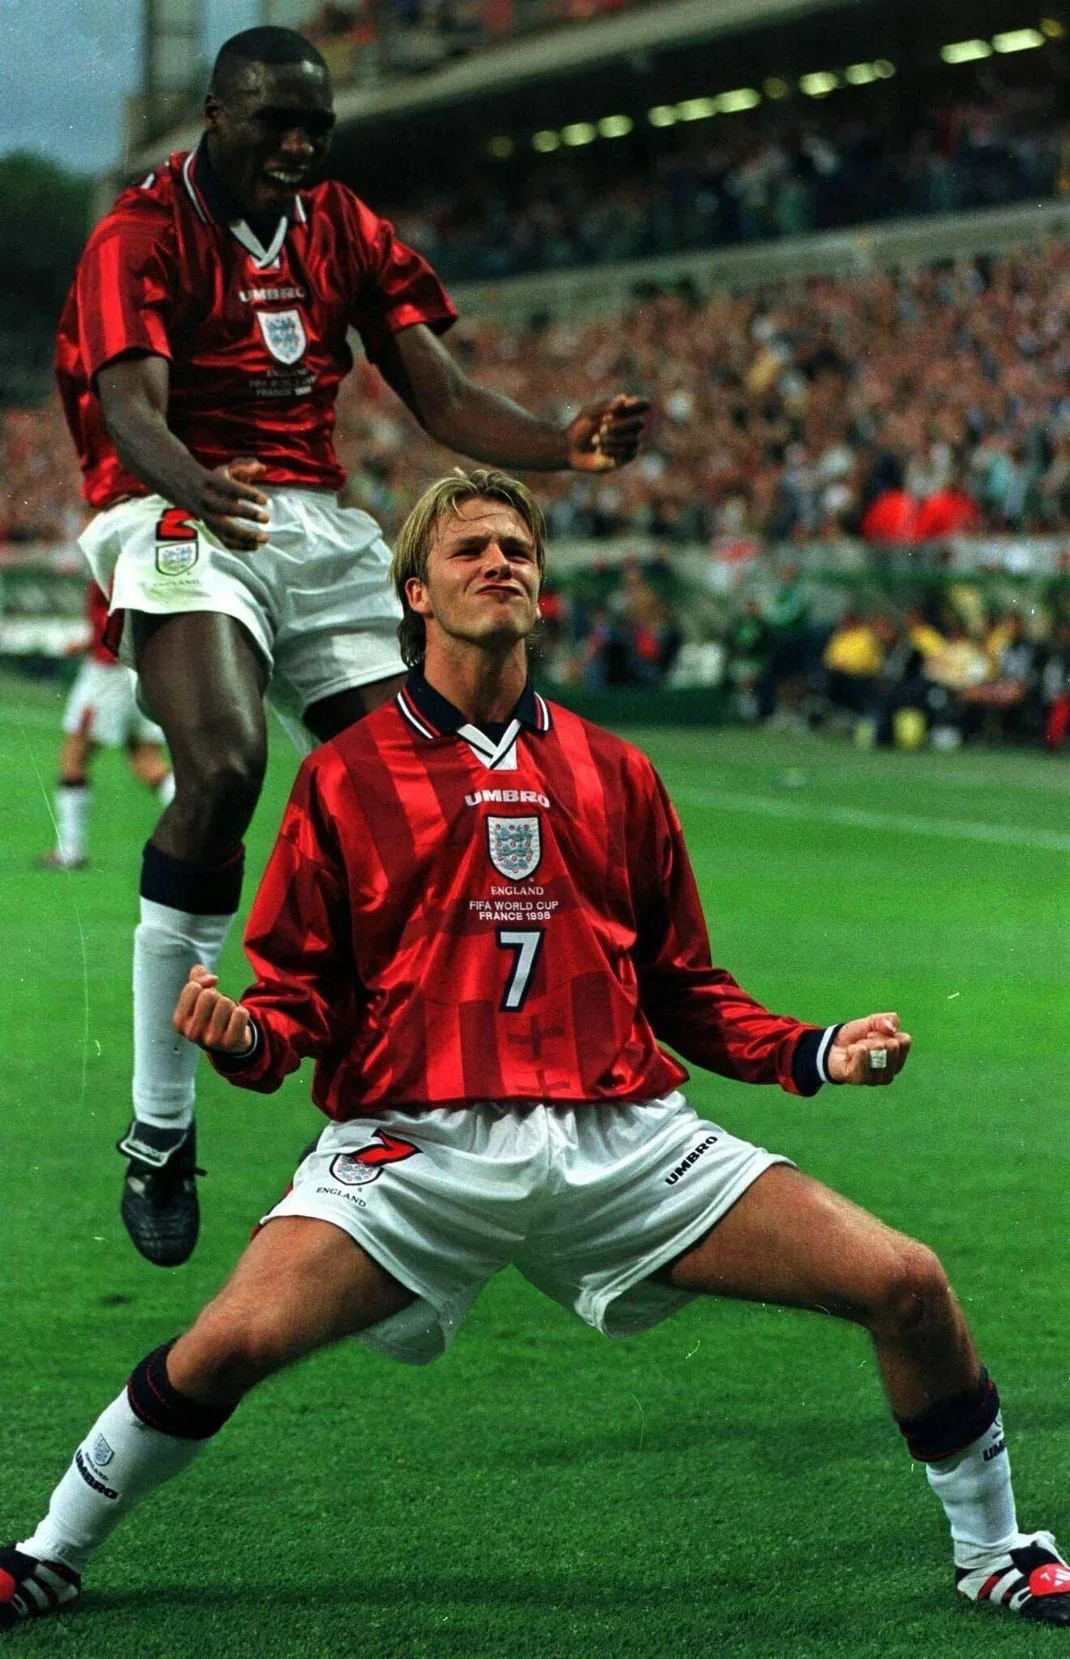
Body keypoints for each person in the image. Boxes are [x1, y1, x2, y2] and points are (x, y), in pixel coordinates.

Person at [4, 469, 1068, 1632]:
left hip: (624, 1141)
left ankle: (996, 1552)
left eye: (518, 548)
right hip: (416, 1147)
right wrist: (247, 1033)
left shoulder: (615, 773)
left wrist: (815, 1051)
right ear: (411, 592)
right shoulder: (345, 779)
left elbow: (682, 986)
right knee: (225, 1348)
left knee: (905, 1284)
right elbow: (299, 996)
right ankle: (49, 1550)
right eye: (469, 551)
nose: (500, 563)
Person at [54, 25, 648, 1267]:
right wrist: (200, 490)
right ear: (213, 115)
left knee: (432, 800)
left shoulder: (343, 225)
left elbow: (439, 398)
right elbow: (126, 409)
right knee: (219, 768)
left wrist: (562, 445)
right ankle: (161, 1129)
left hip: (315, 522)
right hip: (172, 506)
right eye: (273, 122)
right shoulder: (139, 233)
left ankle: (413, 1091)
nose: (297, 145)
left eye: (313, 126)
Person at [36, 582, 174, 871]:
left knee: (75, 755)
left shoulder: (113, 553)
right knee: (146, 762)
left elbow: (116, 620)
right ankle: (207, 833)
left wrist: (90, 642)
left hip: (108, 673)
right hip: (147, 668)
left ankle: (71, 851)